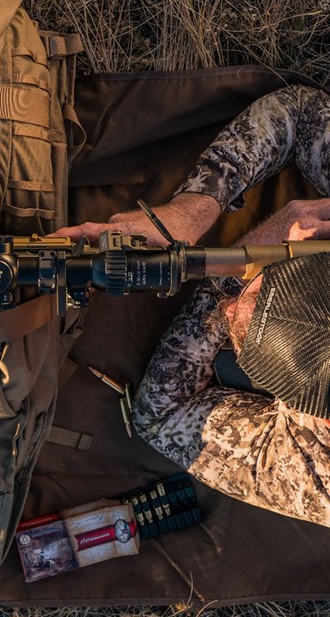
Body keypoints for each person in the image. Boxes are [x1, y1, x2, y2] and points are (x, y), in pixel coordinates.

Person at [57, 84, 330, 526]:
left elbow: (161, 417)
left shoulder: (322, 472)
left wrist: (236, 268)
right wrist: (192, 210)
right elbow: (299, 112)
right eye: (272, 276)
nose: (232, 308)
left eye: (245, 337)